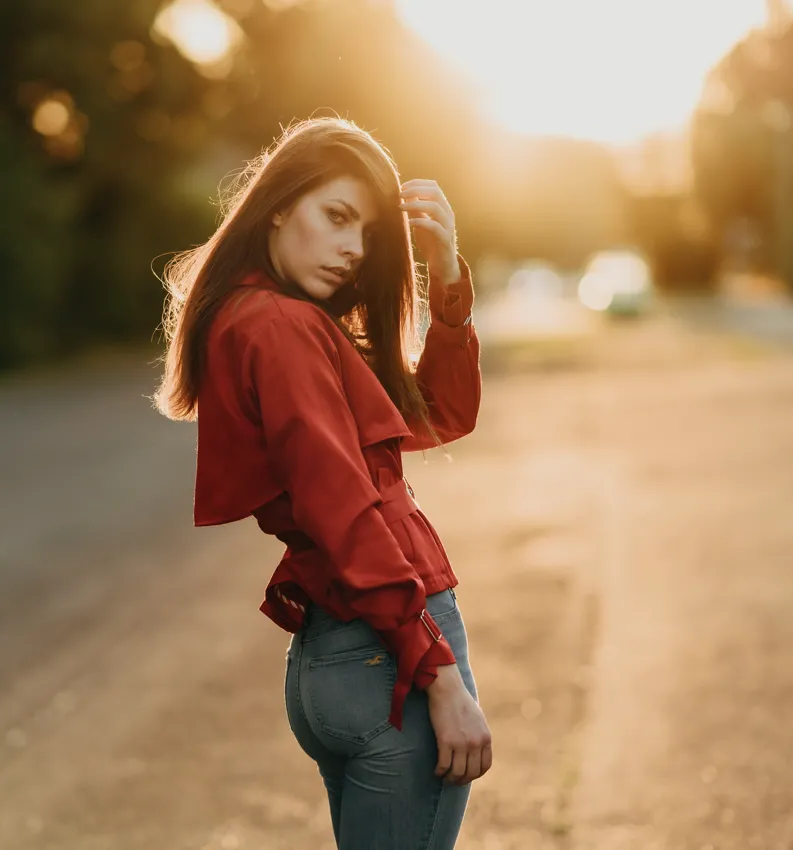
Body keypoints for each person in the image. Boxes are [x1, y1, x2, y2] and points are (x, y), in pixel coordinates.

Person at [153, 117, 491, 849]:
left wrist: (448, 275)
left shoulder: (268, 321)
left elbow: (442, 412)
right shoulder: (278, 327)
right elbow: (343, 511)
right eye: (336, 217)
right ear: (279, 203)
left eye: (367, 234)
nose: (352, 250)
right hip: (388, 657)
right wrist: (438, 675)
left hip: (340, 656)